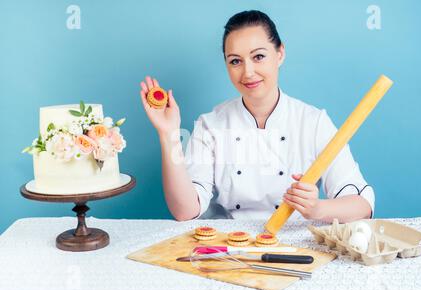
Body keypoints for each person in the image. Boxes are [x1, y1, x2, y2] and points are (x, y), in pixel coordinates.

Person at [140, 10, 374, 223]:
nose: (248, 72)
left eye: (258, 57)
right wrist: (168, 133)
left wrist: (318, 209)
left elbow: (361, 205)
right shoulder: (210, 125)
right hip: (229, 247)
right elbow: (185, 210)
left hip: (297, 246)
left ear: (280, 53)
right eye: (235, 61)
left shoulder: (313, 122)